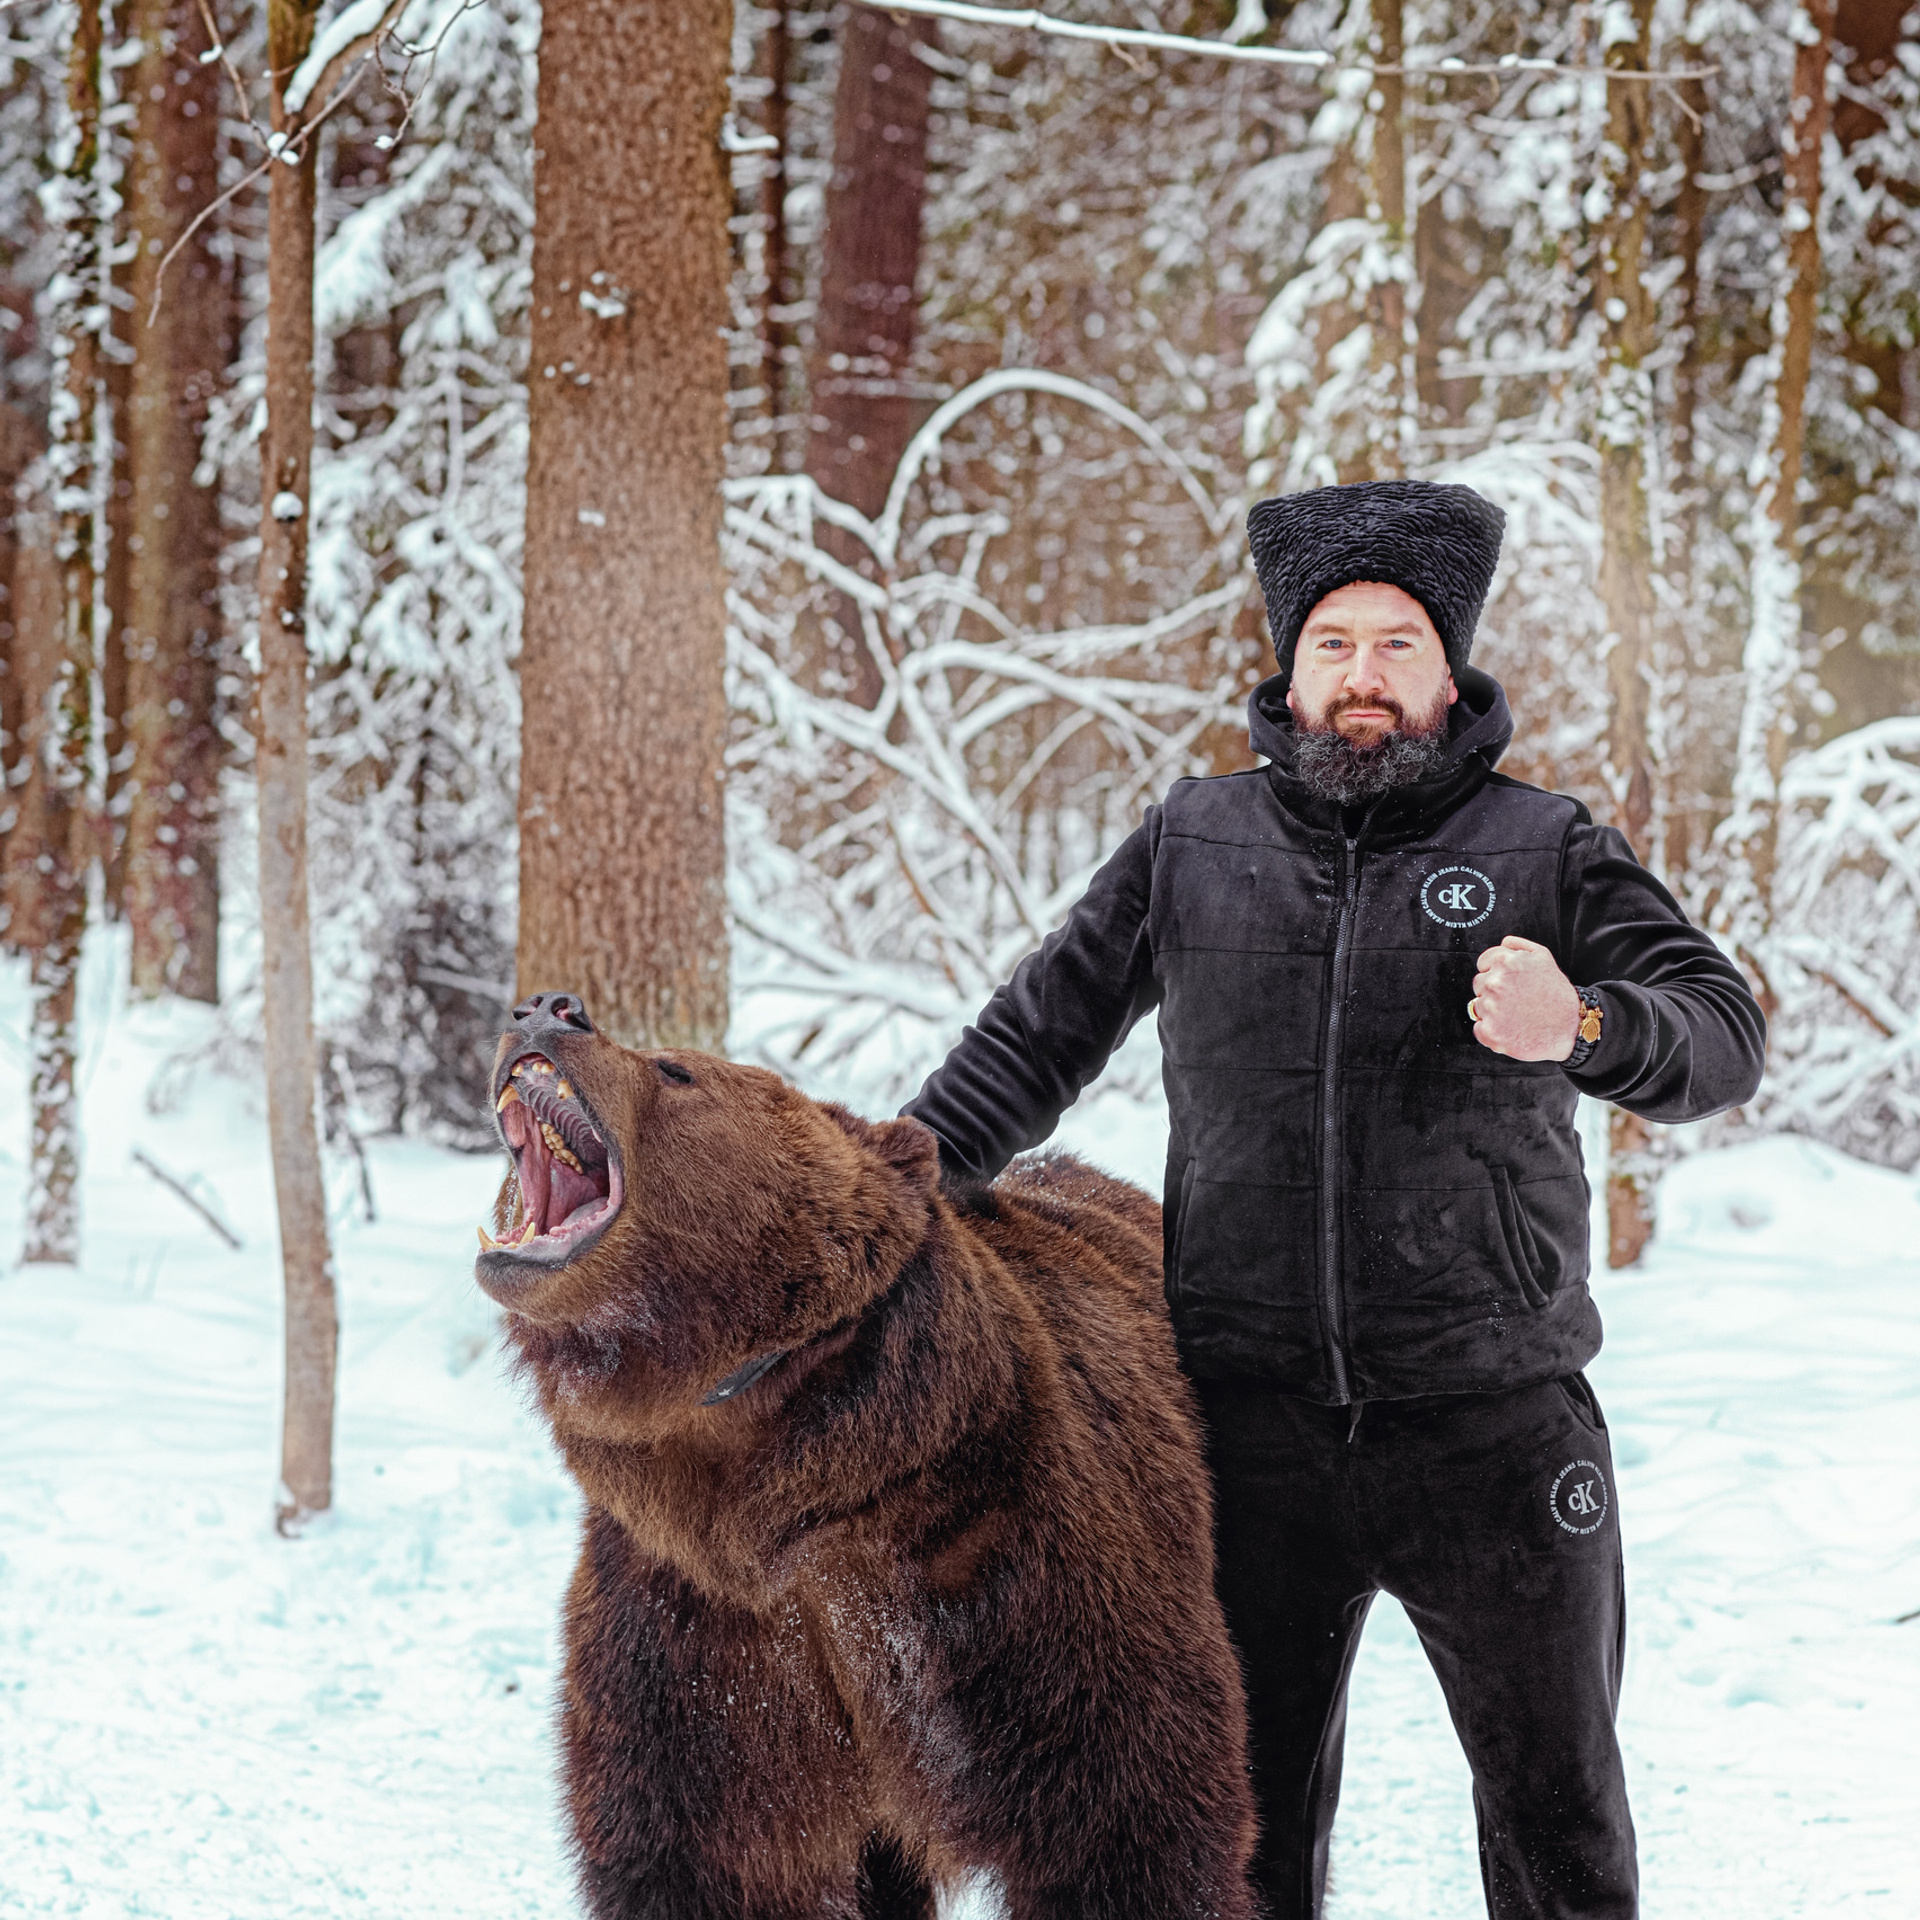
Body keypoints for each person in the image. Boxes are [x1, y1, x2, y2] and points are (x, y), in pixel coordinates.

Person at [902, 479, 1767, 1920]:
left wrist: (1592, 1027)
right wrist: (892, 1200)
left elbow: (1721, 1033)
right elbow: (1031, 1042)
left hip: (1494, 1431)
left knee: (1560, 1827)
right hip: (1249, 1434)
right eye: (1335, 643)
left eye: (1398, 644)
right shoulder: (1193, 843)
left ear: (1451, 672)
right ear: (1290, 666)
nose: (1363, 675)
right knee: (1237, 1841)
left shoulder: (1543, 849)